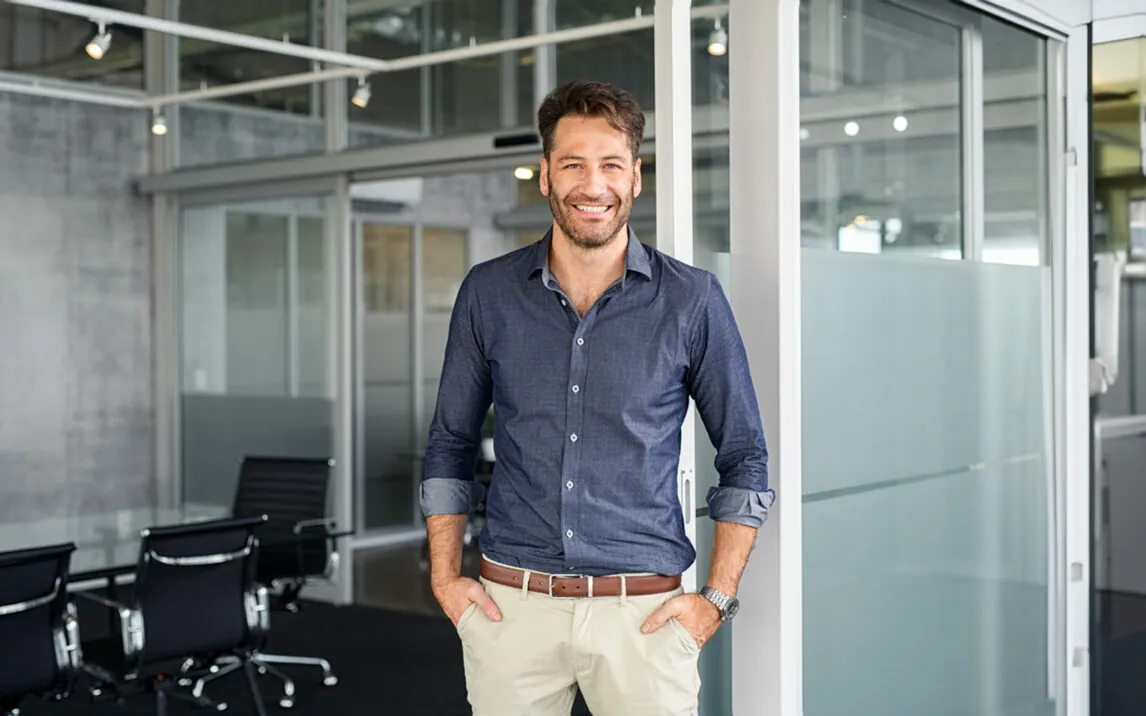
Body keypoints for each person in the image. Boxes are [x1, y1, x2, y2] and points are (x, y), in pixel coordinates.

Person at [420, 79, 775, 716]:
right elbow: (449, 444)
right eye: (573, 164)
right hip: (512, 610)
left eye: (611, 164)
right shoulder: (488, 292)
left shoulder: (692, 301)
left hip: (643, 615)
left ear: (635, 177)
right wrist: (444, 578)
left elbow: (745, 453)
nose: (593, 184)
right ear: (546, 177)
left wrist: (716, 598)